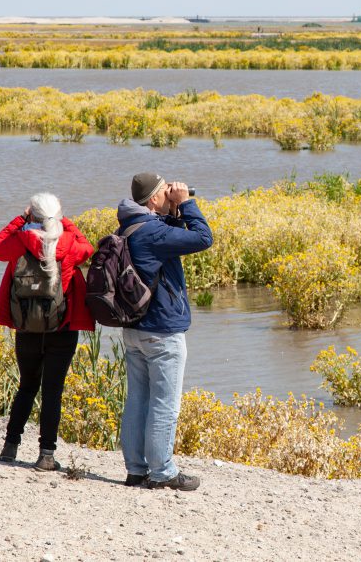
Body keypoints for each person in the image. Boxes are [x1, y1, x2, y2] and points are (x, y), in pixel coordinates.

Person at [117, 172, 213, 490]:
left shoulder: (131, 225)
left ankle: (136, 469)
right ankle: (162, 472)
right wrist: (186, 204)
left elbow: (167, 241)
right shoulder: (153, 232)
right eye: (165, 192)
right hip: (161, 331)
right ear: (154, 198)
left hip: (134, 330)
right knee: (164, 403)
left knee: (138, 400)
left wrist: (172, 212)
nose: (170, 193)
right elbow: (202, 238)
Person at [0, 192, 95, 470]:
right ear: (57, 216)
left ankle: (10, 448)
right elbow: (88, 247)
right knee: (52, 390)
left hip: (27, 326)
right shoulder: (69, 243)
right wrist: (62, 220)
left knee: (27, 385)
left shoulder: (20, 241)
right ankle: (46, 455)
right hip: (63, 327)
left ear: (32, 216)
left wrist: (21, 219)